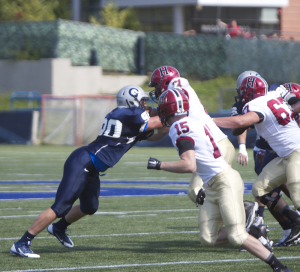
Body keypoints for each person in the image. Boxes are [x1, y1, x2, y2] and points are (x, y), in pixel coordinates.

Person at [10, 85, 166, 258]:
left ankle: (58, 228)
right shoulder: (130, 114)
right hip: (84, 161)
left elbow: (157, 133)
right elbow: (157, 121)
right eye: (142, 100)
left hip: (91, 165)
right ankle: (22, 242)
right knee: (61, 206)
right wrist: (177, 112)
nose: (144, 104)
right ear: (132, 100)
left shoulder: (126, 116)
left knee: (90, 206)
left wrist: (173, 120)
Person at [147, 89, 291, 272]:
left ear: (169, 109)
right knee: (208, 238)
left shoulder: (178, 127)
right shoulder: (192, 121)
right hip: (212, 185)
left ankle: (279, 267)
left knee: (237, 236)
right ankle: (247, 222)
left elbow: (189, 165)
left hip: (225, 182)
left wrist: (160, 165)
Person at [213, 75, 300, 247]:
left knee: (297, 195)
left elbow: (240, 121)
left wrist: (209, 120)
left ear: (249, 93)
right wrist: (291, 110)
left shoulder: (255, 104)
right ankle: (296, 222)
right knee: (259, 188)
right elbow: (239, 128)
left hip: (296, 151)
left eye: (243, 92)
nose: (241, 96)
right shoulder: (273, 96)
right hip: (285, 156)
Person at [148, 66, 235, 208]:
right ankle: (234, 219)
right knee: (215, 192)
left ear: (165, 82)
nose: (156, 90)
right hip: (218, 144)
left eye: (157, 85)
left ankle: (243, 211)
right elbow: (161, 129)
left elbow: (157, 122)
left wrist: (137, 126)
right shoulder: (178, 102)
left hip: (216, 146)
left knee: (196, 191)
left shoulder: (177, 85)